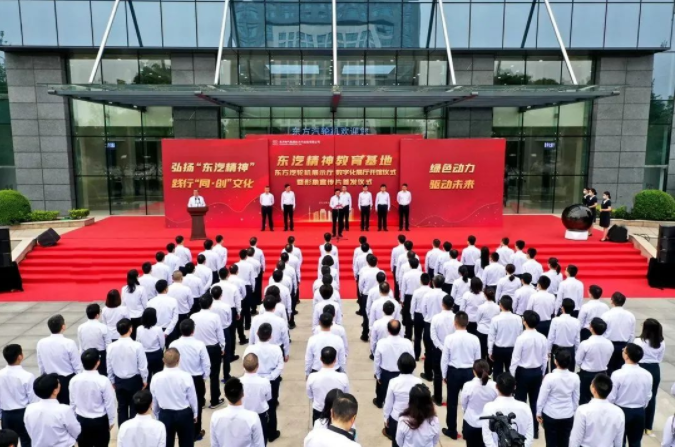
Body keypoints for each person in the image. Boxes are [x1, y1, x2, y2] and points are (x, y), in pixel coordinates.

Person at [440, 311, 481, 440]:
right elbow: (478, 359)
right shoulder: (474, 339)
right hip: (470, 372)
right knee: (469, 403)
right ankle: (466, 430)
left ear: (455, 323)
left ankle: (452, 430)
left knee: (452, 402)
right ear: (467, 323)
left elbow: (445, 359)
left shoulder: (449, 338)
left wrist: (444, 374)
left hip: (454, 371)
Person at [169, 319, 210, 441]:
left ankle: (182, 430)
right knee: (197, 405)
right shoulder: (199, 345)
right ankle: (196, 432)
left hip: (178, 377)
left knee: (180, 403)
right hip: (196, 378)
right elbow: (206, 364)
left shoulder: (173, 344)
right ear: (193, 331)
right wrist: (204, 377)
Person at [243, 324, 284, 443]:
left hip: (253, 379)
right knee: (271, 406)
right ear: (270, 336)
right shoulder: (276, 349)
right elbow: (280, 366)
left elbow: (245, 364)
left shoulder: (250, 349)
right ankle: (272, 433)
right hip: (271, 380)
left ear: (257, 334)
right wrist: (270, 377)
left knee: (253, 404)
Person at [510, 310, 548, 439]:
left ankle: (520, 430)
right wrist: (542, 373)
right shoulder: (542, 338)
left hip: (522, 373)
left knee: (520, 403)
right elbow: (544, 358)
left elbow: (515, 359)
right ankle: (535, 430)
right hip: (537, 372)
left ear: (524, 322)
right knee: (535, 402)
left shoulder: (521, 338)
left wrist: (512, 376)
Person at [150, 348, 198, 447]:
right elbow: (192, 397)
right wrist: (195, 413)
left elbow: (154, 399)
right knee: (187, 444)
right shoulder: (186, 376)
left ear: (163, 360)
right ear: (178, 360)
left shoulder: (156, 378)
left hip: (165, 414)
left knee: (166, 444)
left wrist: (156, 414)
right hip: (184, 414)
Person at [608, 343, 653, 447]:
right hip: (639, 412)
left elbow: (612, 397)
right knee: (636, 442)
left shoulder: (617, 374)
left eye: (624, 350)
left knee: (619, 442)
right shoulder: (647, 375)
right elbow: (648, 395)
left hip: (621, 410)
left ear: (626, 356)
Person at [69, 349, 115, 447]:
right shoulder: (103, 380)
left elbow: (72, 403)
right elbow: (109, 403)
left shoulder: (74, 380)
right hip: (100, 421)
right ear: (98, 362)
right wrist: (111, 421)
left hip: (82, 420)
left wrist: (73, 420)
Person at [107, 318, 148, 427]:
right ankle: (133, 430)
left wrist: (112, 380)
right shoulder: (137, 346)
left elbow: (109, 366)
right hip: (134, 380)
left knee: (122, 407)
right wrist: (144, 379)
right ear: (131, 329)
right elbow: (142, 366)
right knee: (134, 406)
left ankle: (123, 431)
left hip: (119, 380)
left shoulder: (111, 347)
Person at [536, 349, 580, 447]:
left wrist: (538, 412)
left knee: (551, 443)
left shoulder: (549, 377)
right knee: (564, 443)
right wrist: (572, 411)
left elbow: (542, 397)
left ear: (555, 361)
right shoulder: (575, 377)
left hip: (551, 414)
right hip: (567, 415)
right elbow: (576, 398)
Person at [36, 314, 82, 405]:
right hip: (66, 381)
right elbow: (77, 366)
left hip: (49, 380)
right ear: (63, 326)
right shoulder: (69, 343)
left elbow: (41, 364)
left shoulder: (41, 343)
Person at [24, 373, 81, 447]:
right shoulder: (64, 410)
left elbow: (30, 430)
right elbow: (76, 431)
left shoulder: (29, 408)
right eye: (58, 383)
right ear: (55, 391)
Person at [190, 295, 226, 410]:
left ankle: (200, 401)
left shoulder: (193, 316)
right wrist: (223, 346)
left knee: (199, 374)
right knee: (214, 375)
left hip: (197, 348)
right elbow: (220, 333)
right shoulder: (215, 317)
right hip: (212, 348)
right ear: (211, 304)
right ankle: (214, 400)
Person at [569, 373, 625, 447]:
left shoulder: (583, 410)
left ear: (593, 389)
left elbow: (576, 439)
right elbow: (618, 441)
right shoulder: (619, 412)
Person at [481, 373, 534, 447]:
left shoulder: (489, 407)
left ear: (496, 386)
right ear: (514, 387)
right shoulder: (525, 407)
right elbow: (529, 436)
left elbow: (487, 436)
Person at [0, 344, 36, 447]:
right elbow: (33, 400)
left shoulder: (0, 374)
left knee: (7, 442)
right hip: (22, 413)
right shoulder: (27, 376)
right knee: (26, 441)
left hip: (6, 414)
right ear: (20, 356)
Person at [634, 319, 665, 436]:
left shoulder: (638, 341)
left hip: (641, 367)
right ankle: (648, 426)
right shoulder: (661, 342)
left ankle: (638, 423)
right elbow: (660, 358)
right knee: (652, 398)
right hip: (654, 369)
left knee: (637, 396)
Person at [374, 320, 415, 409]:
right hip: (402, 372)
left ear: (388, 330)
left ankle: (380, 402)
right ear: (400, 330)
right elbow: (412, 359)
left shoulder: (381, 343)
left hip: (386, 374)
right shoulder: (407, 343)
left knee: (385, 396)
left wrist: (378, 375)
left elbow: (377, 360)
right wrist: (412, 374)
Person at [383, 353, 421, 444]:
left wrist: (386, 418)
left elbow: (388, 403)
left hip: (396, 418)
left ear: (399, 366)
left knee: (396, 443)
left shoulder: (393, 382)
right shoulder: (418, 382)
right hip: (413, 419)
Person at [575, 317, 614, 405]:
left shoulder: (585, 344)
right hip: (602, 373)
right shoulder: (609, 343)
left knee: (584, 399)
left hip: (587, 374)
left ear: (591, 328)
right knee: (601, 399)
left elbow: (578, 360)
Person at [307, 347, 350, 424]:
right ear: (335, 360)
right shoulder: (343, 377)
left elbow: (310, 396)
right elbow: (346, 395)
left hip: (319, 410)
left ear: (320, 359)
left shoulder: (312, 377)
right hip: (337, 411)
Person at [461, 360, 497, 447]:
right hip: (488, 424)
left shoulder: (468, 385)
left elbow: (464, 404)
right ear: (488, 370)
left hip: (471, 423)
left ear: (474, 371)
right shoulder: (495, 386)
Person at [428, 295, 455, 405]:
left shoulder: (436, 318)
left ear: (442, 304)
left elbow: (433, 336)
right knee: (451, 373)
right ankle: (451, 398)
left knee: (437, 373)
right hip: (452, 349)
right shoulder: (456, 318)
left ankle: (438, 398)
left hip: (438, 349)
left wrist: (441, 347)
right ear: (452, 305)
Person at [489, 296, 523, 380]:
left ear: (500, 305)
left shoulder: (495, 319)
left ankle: (497, 386)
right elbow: (520, 334)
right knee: (511, 371)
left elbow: (491, 337)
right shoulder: (518, 318)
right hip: (513, 348)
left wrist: (490, 350)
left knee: (497, 371)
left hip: (499, 349)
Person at [241, 353, 272, 444]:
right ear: (258, 366)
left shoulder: (239, 382)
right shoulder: (264, 382)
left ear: (243, 366)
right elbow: (268, 397)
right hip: (260, 414)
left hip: (244, 415)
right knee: (261, 439)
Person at [601, 292, 636, 375]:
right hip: (623, 346)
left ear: (611, 301)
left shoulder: (606, 315)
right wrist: (628, 345)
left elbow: (602, 331)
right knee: (621, 370)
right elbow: (632, 333)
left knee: (607, 369)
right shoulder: (630, 316)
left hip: (609, 344)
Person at [251, 296, 291, 360]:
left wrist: (250, 350)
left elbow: (252, 336)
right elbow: (285, 338)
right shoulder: (280, 321)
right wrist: (286, 353)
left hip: (259, 349)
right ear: (275, 307)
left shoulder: (255, 319)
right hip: (276, 349)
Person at [547, 297, 580, 372]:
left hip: (557, 350)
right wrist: (577, 351)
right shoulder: (576, 322)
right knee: (569, 372)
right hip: (570, 350)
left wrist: (548, 350)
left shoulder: (555, 320)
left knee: (556, 372)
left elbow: (551, 337)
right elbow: (577, 339)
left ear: (562, 308)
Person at [77, 303, 110, 376]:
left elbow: (81, 345)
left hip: (86, 354)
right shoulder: (103, 327)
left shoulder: (81, 327)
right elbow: (108, 345)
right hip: (100, 355)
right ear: (97, 315)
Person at [209, 286, 234, 380]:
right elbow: (229, 320)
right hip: (224, 330)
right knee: (226, 354)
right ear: (221, 295)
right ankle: (226, 375)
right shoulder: (226, 306)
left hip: (213, 331)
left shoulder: (209, 306)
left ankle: (213, 375)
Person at [135, 307, 165, 384]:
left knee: (146, 376)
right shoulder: (158, 329)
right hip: (156, 354)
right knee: (158, 375)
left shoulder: (139, 329)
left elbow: (138, 342)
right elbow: (162, 343)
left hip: (144, 354)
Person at [147, 280, 179, 347]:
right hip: (170, 330)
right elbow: (175, 318)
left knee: (157, 350)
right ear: (166, 288)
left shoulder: (150, 302)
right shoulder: (173, 301)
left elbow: (149, 318)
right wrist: (167, 332)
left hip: (155, 330)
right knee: (171, 351)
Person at [401, 257, 423, 339]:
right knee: (419, 313)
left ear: (410, 265)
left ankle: (408, 334)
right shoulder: (421, 274)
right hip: (420, 295)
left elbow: (403, 288)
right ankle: (418, 335)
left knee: (408, 315)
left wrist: (402, 300)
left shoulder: (406, 275)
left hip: (409, 296)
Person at [411, 273, 430, 361]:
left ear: (421, 281)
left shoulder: (416, 291)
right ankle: (428, 354)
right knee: (427, 336)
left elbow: (413, 305)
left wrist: (412, 316)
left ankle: (416, 355)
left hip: (418, 315)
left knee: (417, 336)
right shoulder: (431, 291)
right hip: (428, 315)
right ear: (429, 281)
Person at [122, 269, 147, 338]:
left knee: (130, 336)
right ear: (136, 277)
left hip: (128, 316)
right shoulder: (141, 289)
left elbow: (123, 304)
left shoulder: (124, 289)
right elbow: (145, 304)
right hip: (139, 316)